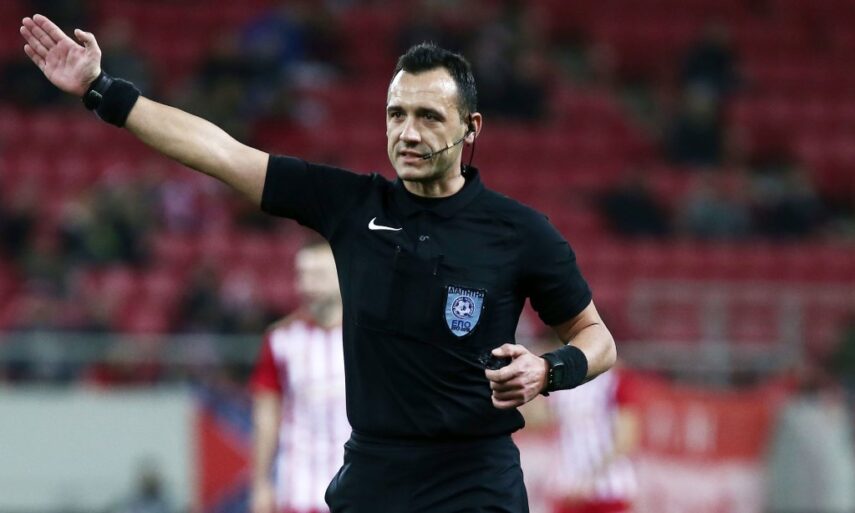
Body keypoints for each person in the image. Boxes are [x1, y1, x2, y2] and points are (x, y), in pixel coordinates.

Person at [20, 15, 617, 512]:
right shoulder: (351, 205)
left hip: (476, 483)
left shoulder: (520, 232)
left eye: (429, 117)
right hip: (374, 477)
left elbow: (597, 340)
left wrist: (549, 371)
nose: (408, 133)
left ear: (471, 128)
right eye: (396, 115)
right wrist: (102, 90)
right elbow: (222, 154)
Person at [249, 240, 348, 513]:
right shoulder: (281, 339)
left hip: (359, 490)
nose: (307, 284)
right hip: (298, 490)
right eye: (302, 275)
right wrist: (260, 483)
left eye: (318, 275)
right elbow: (266, 416)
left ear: (341, 275)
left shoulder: (368, 339)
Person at [547, 364, 639, 513]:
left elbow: (625, 439)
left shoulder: (613, 381)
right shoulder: (561, 379)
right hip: (567, 490)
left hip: (608, 492)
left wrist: (589, 480)